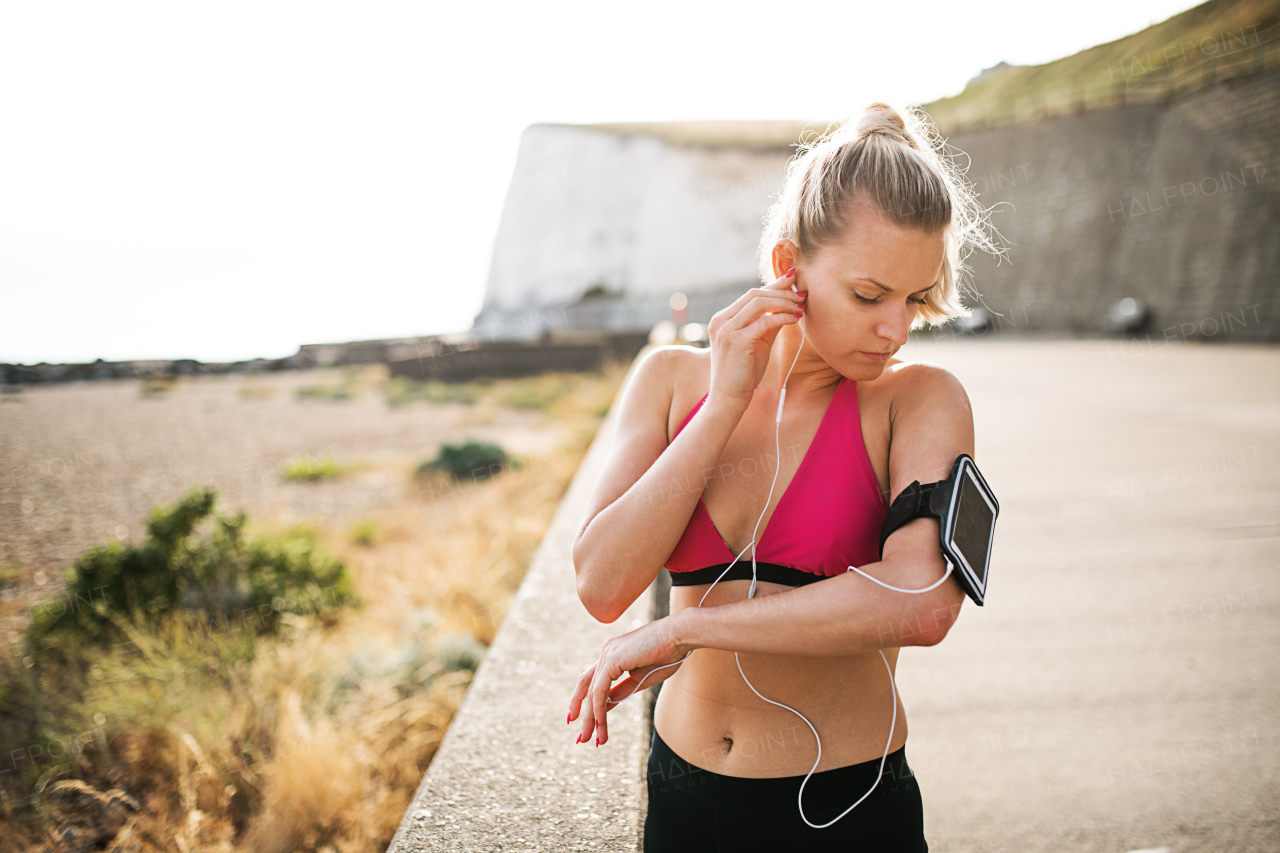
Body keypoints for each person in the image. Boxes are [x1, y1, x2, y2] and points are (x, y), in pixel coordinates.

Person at [566, 102, 1005, 851]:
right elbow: (603, 583)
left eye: (915, 299)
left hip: (848, 807)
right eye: (870, 296)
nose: (895, 328)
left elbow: (923, 602)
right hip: (681, 794)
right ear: (787, 268)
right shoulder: (671, 381)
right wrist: (724, 403)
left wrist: (688, 627)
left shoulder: (919, 400)